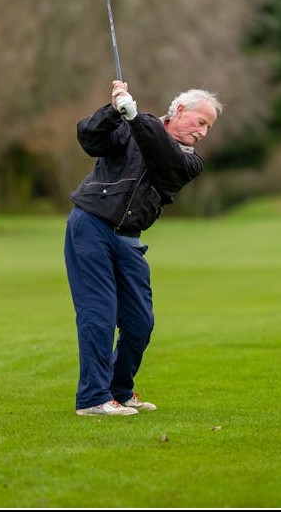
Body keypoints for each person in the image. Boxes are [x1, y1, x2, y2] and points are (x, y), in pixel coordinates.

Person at [64, 79, 222, 416]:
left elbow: (162, 157)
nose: (203, 132)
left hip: (129, 238)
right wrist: (113, 110)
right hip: (91, 224)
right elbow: (89, 138)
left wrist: (134, 118)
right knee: (99, 313)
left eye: (208, 127)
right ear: (180, 111)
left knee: (140, 322)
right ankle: (93, 398)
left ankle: (119, 391)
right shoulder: (131, 123)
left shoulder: (189, 161)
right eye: (201, 122)